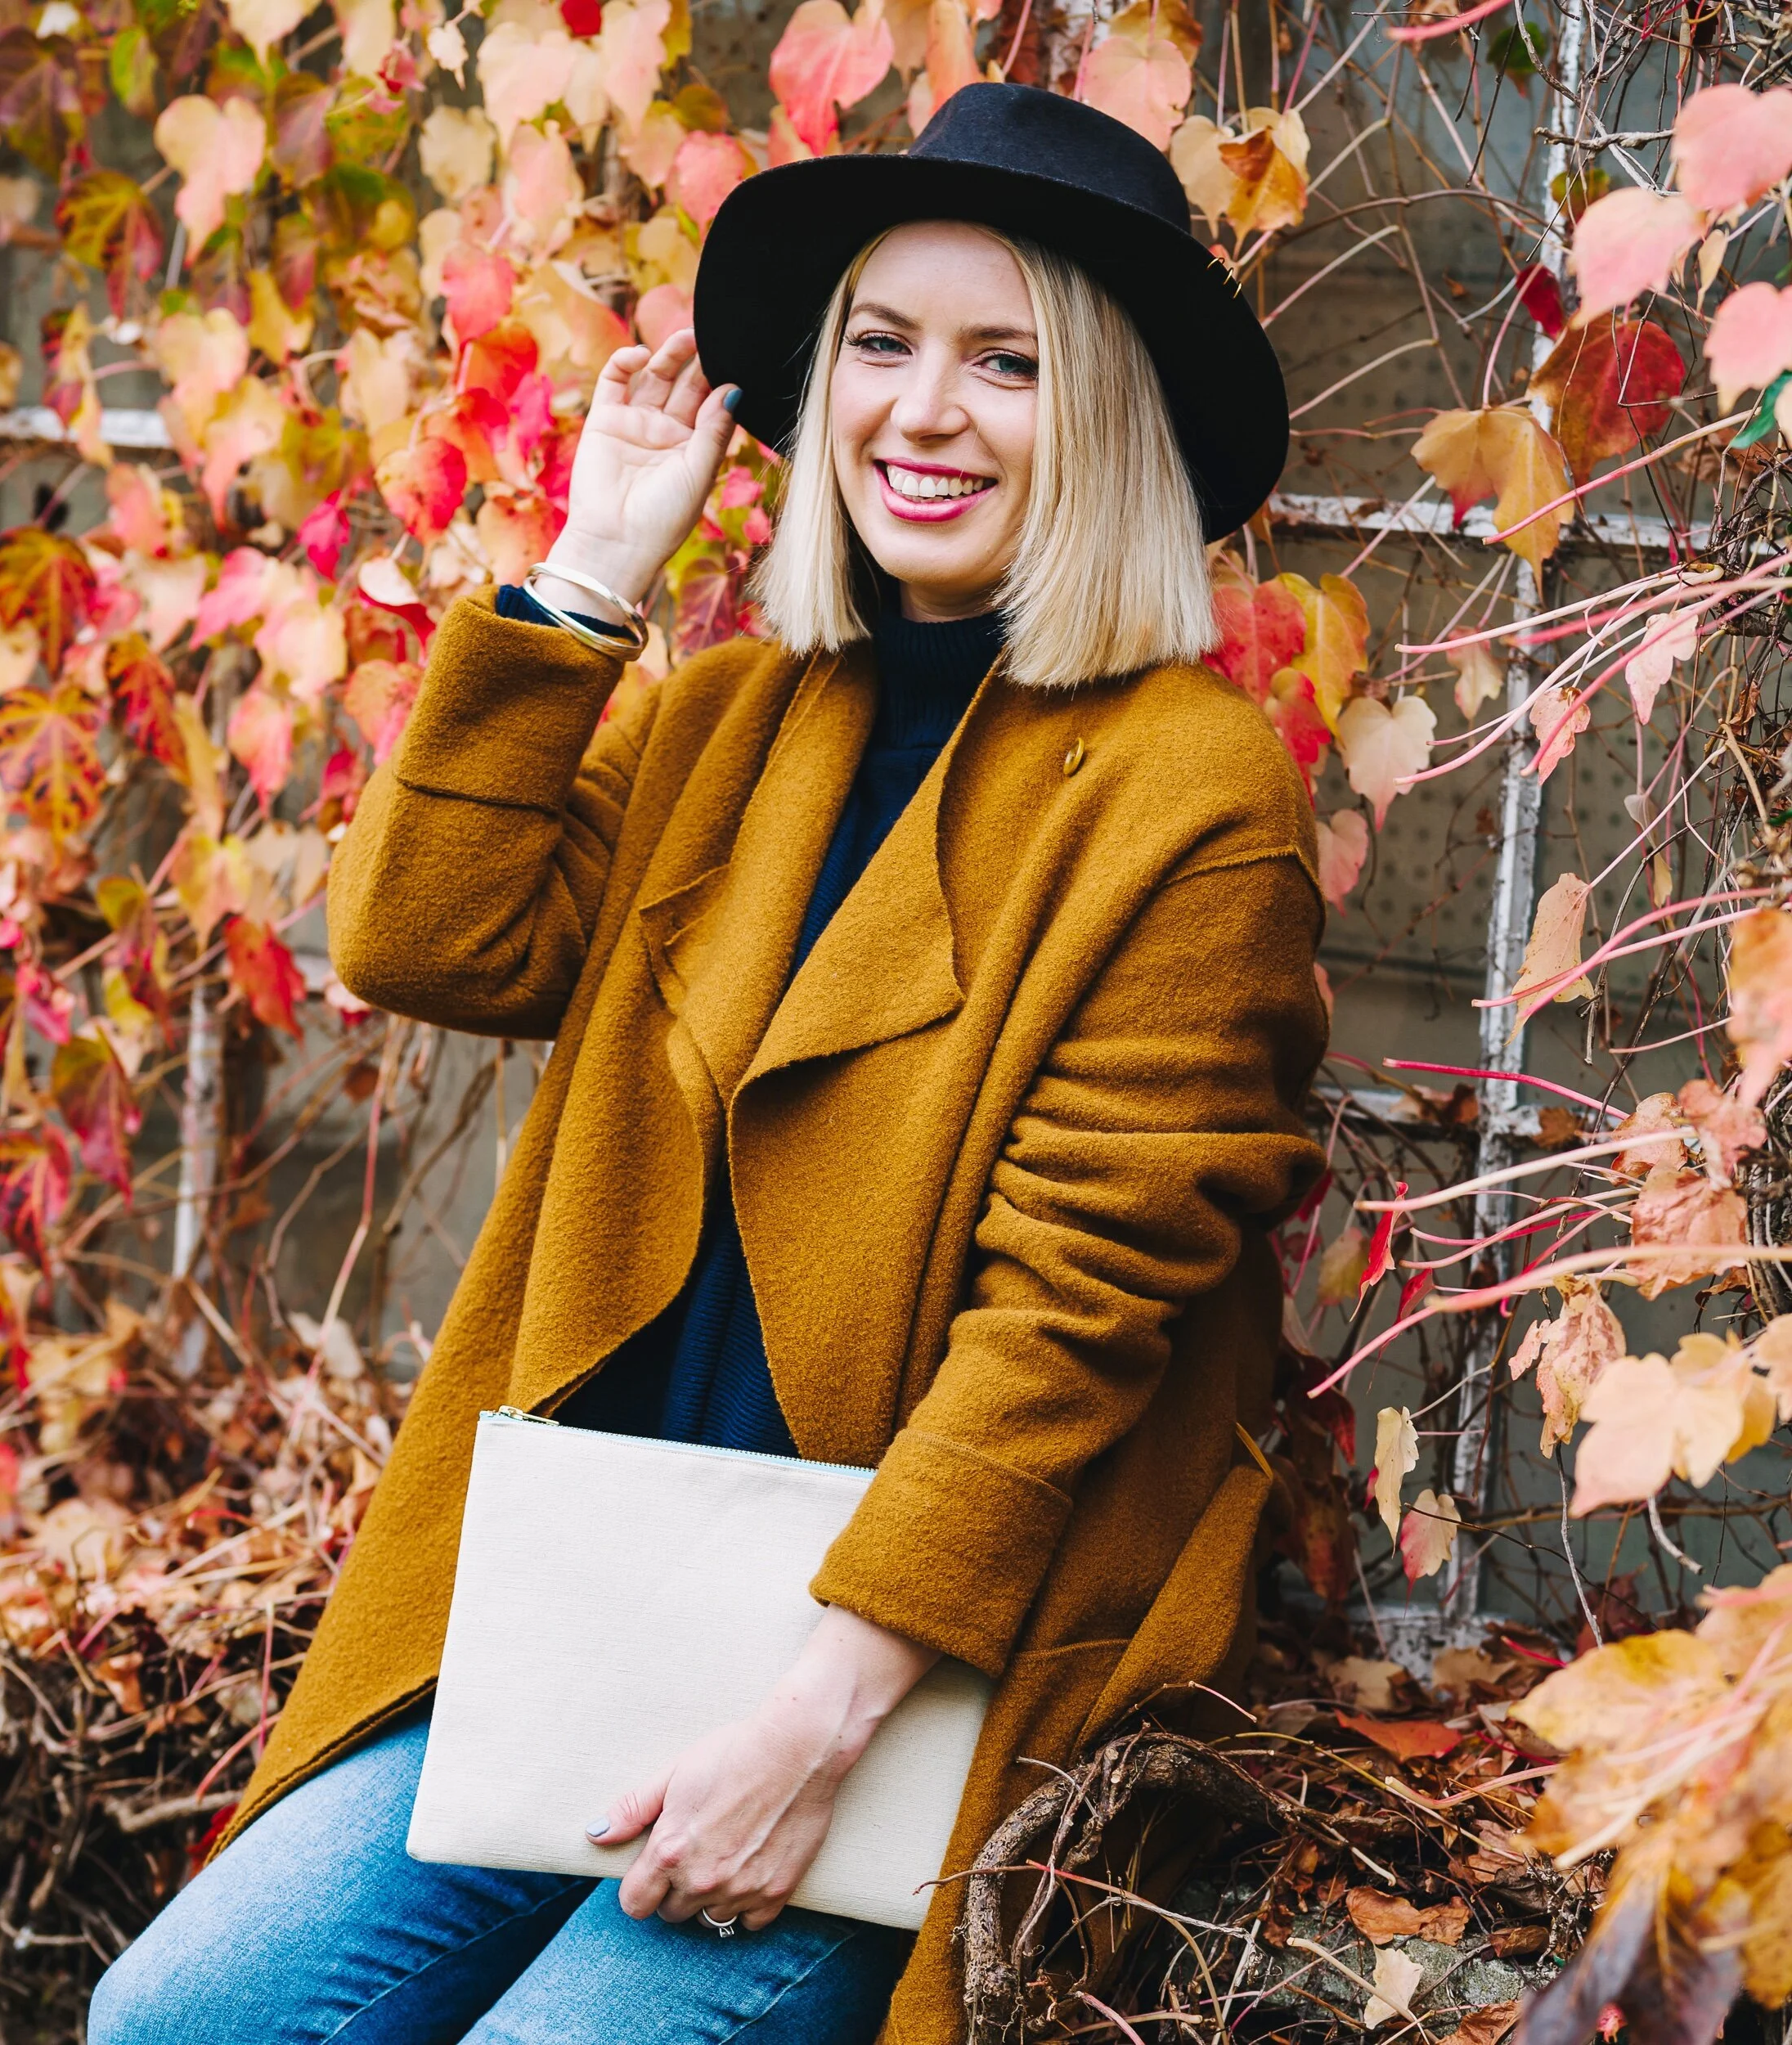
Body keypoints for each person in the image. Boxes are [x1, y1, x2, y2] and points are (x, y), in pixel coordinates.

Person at [91, 81, 1327, 2045]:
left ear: (1102, 412)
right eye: (879, 346)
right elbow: (424, 932)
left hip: (911, 1658)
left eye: (1004, 362)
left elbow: (1064, 1337)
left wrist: (811, 1727)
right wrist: (589, 573)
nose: (923, 413)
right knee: (182, 2015)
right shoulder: (743, 719)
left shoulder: (1190, 795)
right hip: (610, 1608)